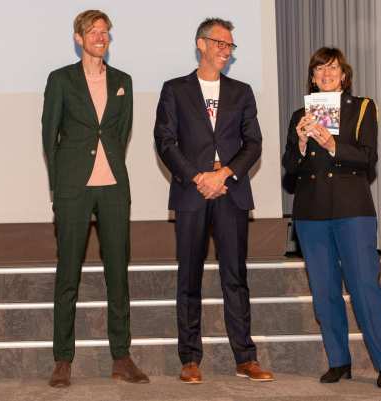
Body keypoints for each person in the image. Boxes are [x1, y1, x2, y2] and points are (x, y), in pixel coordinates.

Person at [154, 17, 274, 384]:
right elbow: (165, 140)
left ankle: (245, 357)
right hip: (192, 193)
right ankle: (189, 358)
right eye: (219, 43)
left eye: (230, 46)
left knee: (235, 277)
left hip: (230, 192)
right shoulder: (175, 89)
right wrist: (197, 177)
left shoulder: (242, 91)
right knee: (188, 276)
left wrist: (223, 175)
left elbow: (253, 142)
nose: (226, 50)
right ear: (200, 44)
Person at [41, 9, 149, 388]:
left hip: (114, 188)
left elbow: (121, 131)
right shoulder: (60, 80)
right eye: (93, 31)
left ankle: (121, 356)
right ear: (78, 37)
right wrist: (60, 188)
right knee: (67, 273)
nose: (100, 37)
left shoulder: (123, 81)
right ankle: (62, 359)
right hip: (74, 189)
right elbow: (49, 136)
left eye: (105, 32)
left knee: (117, 273)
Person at [281, 47, 381, 388]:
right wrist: (301, 144)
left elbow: (367, 157)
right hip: (311, 213)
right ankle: (338, 360)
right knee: (324, 291)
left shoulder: (362, 107)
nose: (326, 74)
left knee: (364, 287)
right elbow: (289, 170)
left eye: (332, 69)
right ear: (312, 77)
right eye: (319, 70)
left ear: (344, 76)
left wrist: (332, 143)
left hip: (352, 210)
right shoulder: (299, 115)